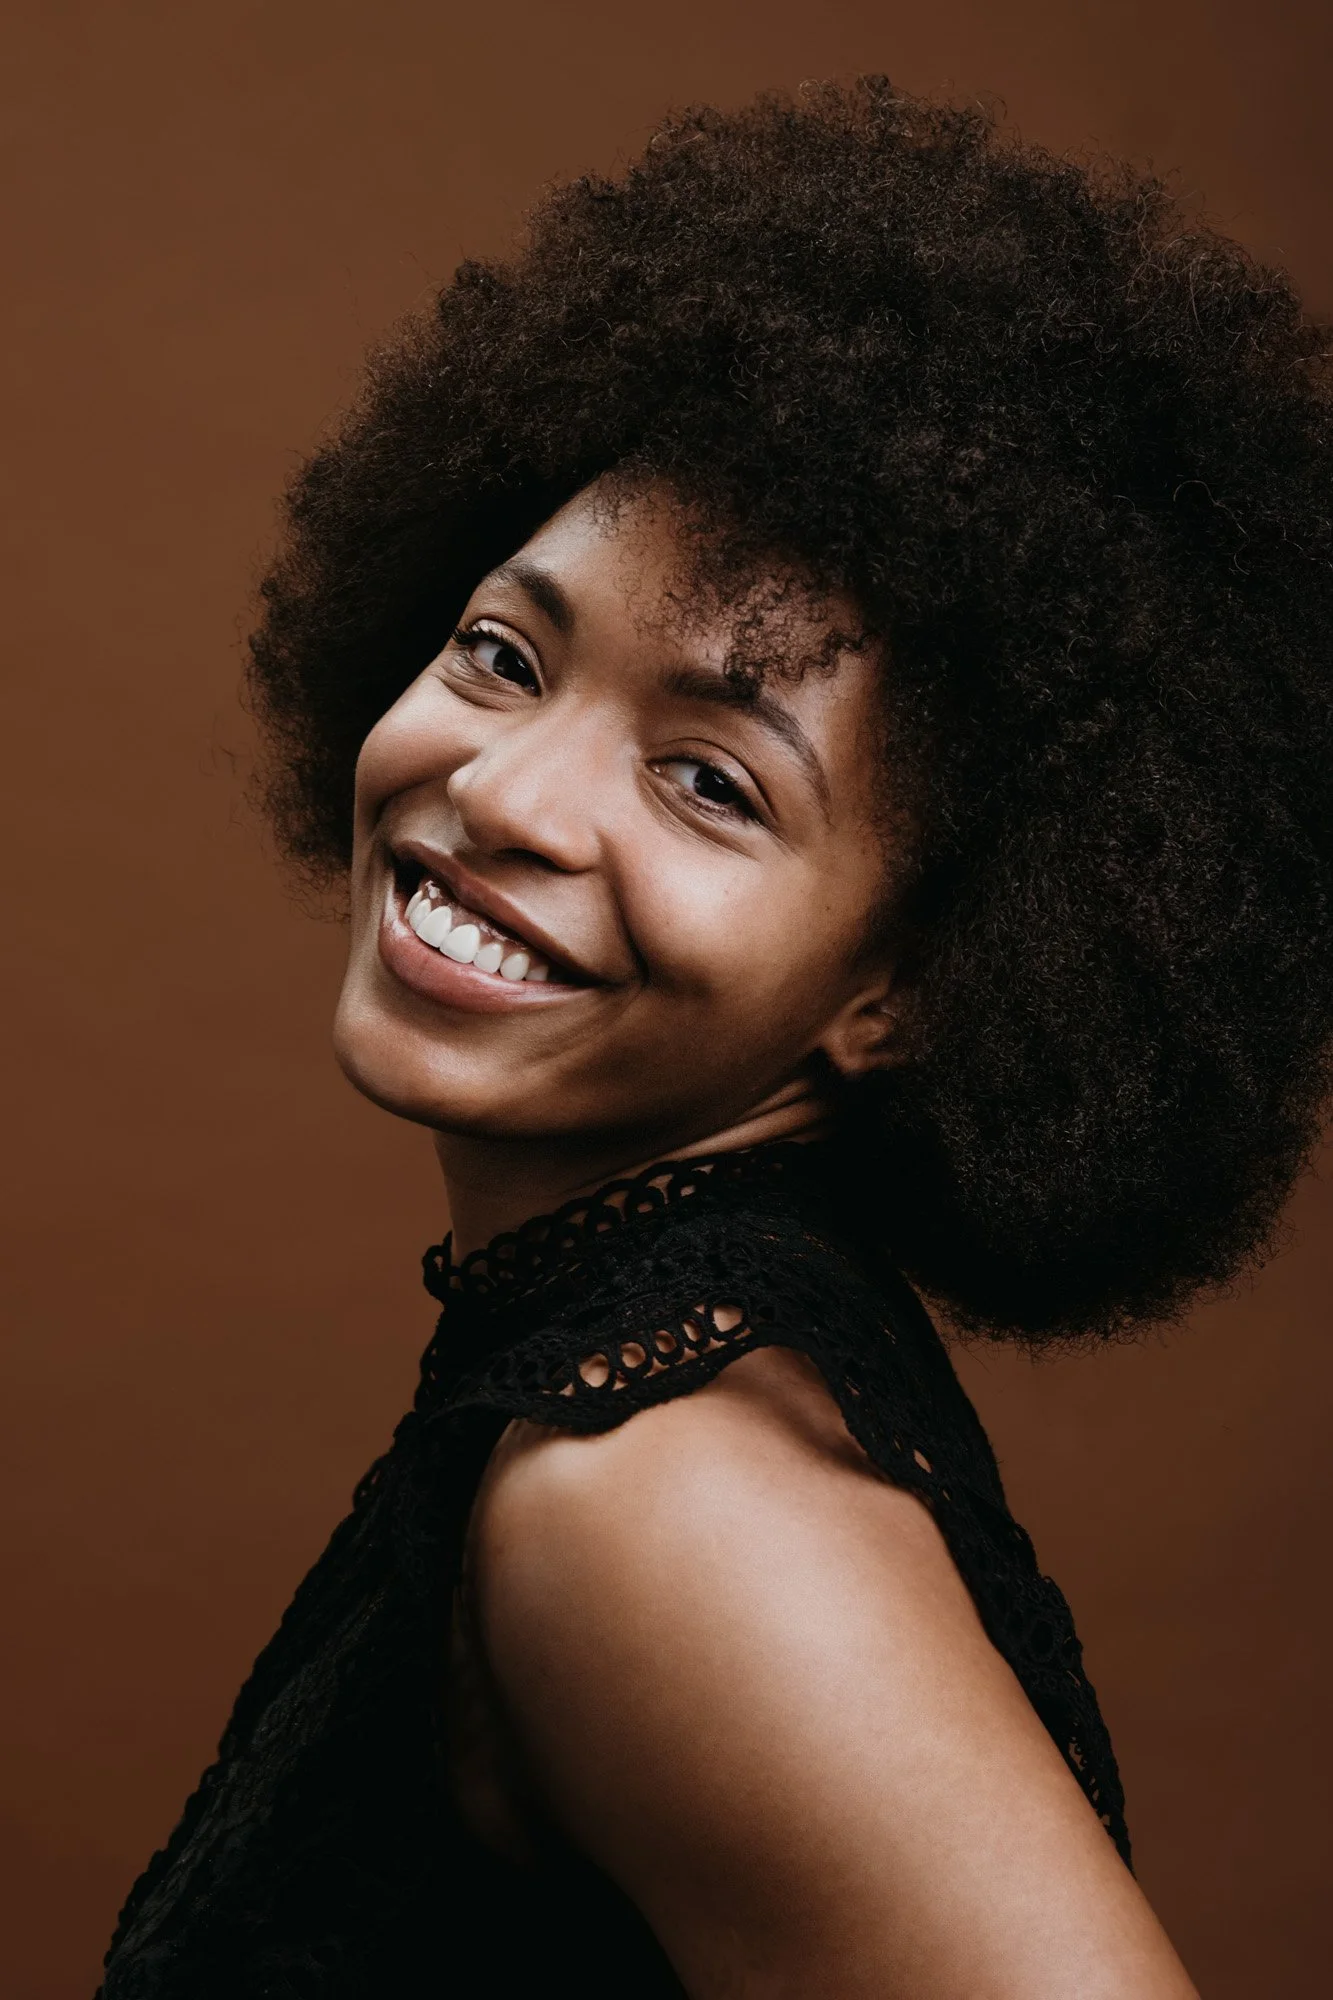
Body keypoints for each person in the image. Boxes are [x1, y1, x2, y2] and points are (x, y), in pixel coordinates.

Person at [99, 79, 1333, 1998]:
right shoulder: (640, 1377)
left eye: (709, 782)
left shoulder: (662, 1506)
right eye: (504, 656)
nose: (507, 791)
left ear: (912, 986)